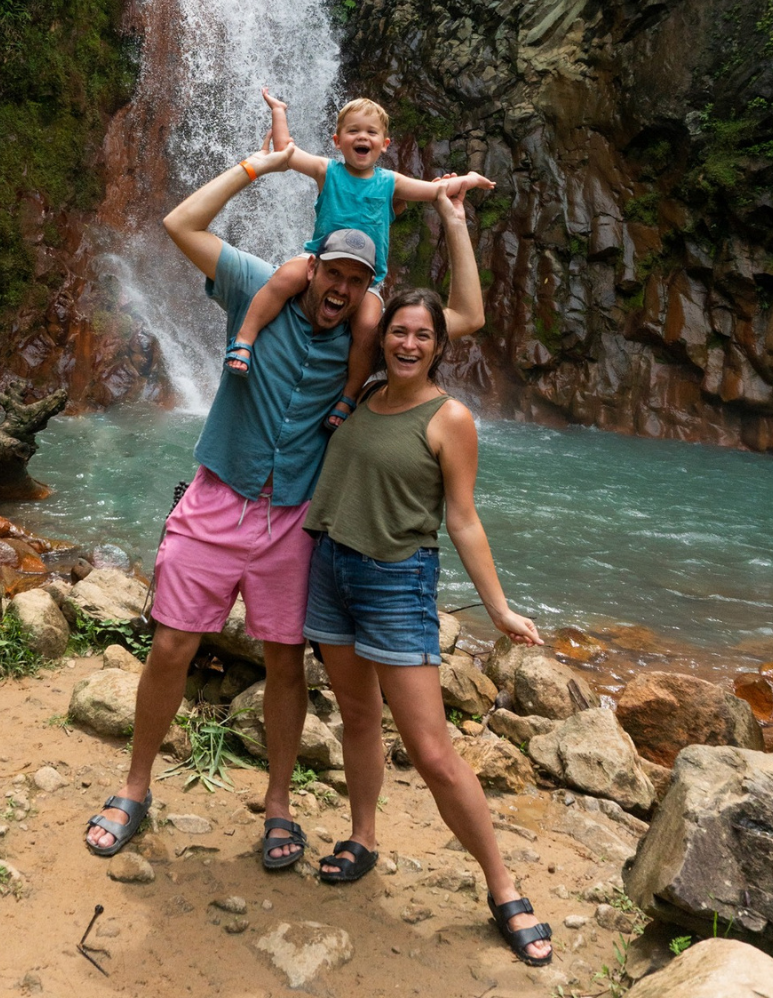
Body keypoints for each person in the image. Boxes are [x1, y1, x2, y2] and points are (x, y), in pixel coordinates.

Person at [85, 137, 487, 870]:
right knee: (172, 644)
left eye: (355, 280)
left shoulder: (373, 331)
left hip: (293, 523)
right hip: (215, 499)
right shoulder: (257, 286)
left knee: (282, 664)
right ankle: (135, 787)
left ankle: (279, 804)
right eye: (331, 272)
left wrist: (451, 217)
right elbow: (181, 225)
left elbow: (463, 317)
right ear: (312, 266)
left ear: (367, 287)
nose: (339, 289)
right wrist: (261, 166)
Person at [301, 197, 554, 967]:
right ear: (383, 339)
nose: (407, 342)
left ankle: (504, 886)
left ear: (440, 345)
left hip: (395, 583)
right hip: (331, 569)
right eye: (398, 332)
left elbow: (464, 520)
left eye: (422, 335)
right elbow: (318, 288)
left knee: (435, 751)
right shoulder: (365, 393)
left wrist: (502, 608)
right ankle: (364, 835)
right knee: (353, 717)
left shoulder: (451, 419)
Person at [223, 89, 494, 431]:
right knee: (282, 279)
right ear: (337, 140)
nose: (362, 137)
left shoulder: (390, 183)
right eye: (353, 131)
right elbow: (286, 153)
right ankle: (244, 341)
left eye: (371, 132)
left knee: (368, 328)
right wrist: (279, 111)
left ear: (385, 144)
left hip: (366, 280)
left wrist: (469, 179)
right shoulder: (327, 171)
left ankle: (348, 397)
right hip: (318, 260)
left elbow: (437, 191)